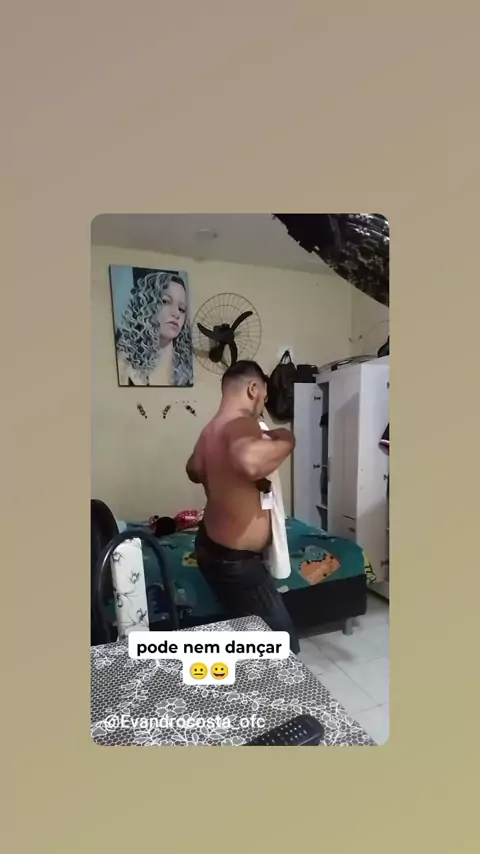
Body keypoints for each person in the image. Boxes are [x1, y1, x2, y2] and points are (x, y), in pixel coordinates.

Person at [186, 360, 300, 654]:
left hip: (210, 548)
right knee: (284, 644)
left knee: (246, 627)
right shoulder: (242, 421)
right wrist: (287, 438)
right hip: (236, 562)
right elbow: (249, 462)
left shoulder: (209, 431)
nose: (262, 406)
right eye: (264, 397)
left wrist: (230, 476)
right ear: (253, 389)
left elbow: (194, 469)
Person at [115, 271, 193, 386]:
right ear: (147, 304)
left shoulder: (188, 369)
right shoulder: (124, 363)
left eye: (181, 309)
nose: (176, 313)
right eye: (165, 301)